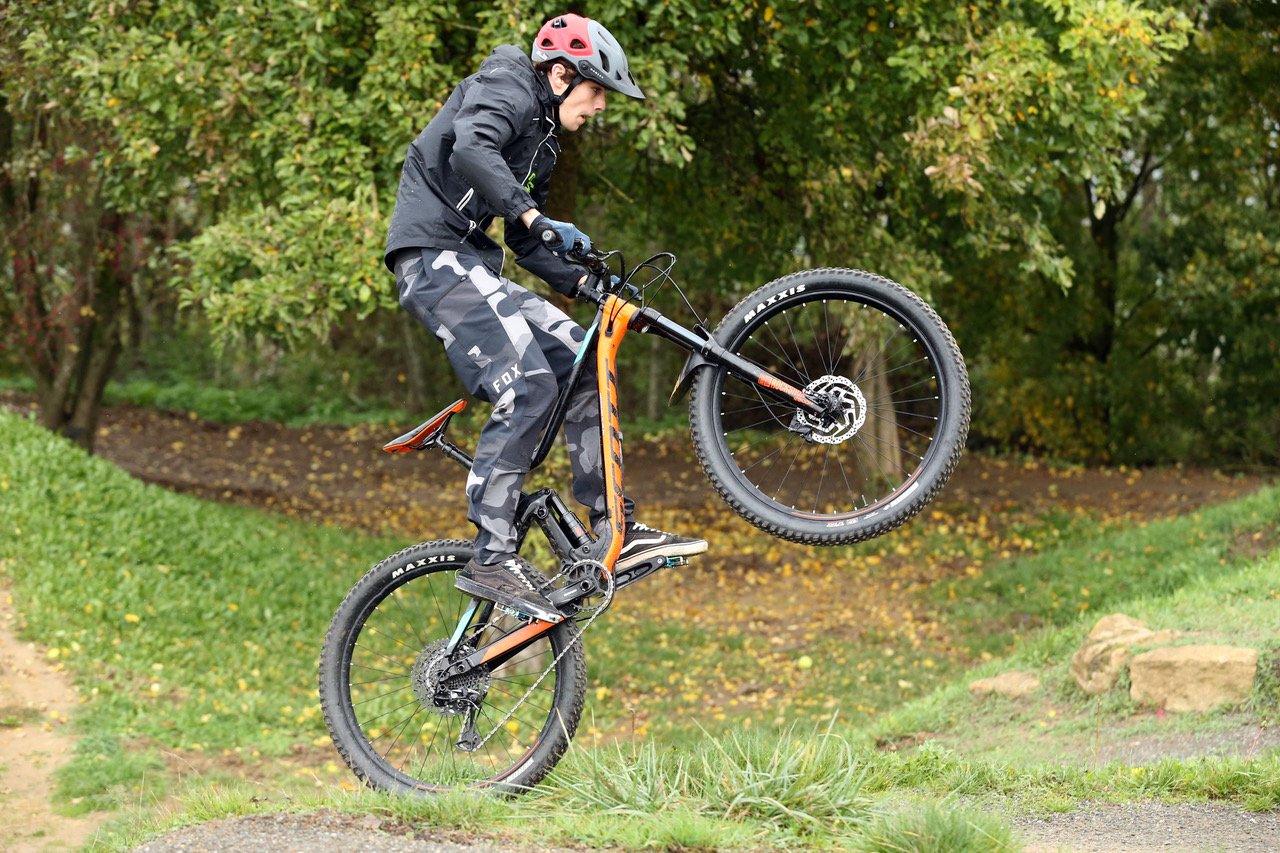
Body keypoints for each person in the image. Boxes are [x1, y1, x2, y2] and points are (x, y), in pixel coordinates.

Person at [384, 14, 706, 622]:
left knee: (582, 361)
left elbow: (529, 247)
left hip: (474, 266)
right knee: (527, 381)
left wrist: (596, 287)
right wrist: (532, 216)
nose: (602, 106)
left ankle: (613, 529)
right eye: (597, 89)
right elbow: (472, 147)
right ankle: (491, 553)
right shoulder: (505, 83)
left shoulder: (544, 143)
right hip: (432, 259)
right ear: (560, 74)